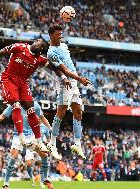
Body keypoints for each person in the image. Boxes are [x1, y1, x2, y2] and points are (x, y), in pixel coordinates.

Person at [0, 38, 90, 154]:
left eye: (41, 47)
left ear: (41, 50)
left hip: (22, 83)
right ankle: (22, 137)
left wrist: (63, 78)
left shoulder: (39, 59)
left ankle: (39, 142)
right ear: (36, 41)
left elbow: (54, 68)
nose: (38, 46)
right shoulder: (19, 47)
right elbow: (1, 52)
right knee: (16, 105)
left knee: (31, 110)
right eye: (39, 44)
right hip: (9, 79)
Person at [47, 24, 91, 160]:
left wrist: (76, 80)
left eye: (61, 34)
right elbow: (63, 69)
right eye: (58, 34)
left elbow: (69, 64)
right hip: (63, 83)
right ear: (51, 35)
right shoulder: (51, 52)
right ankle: (52, 143)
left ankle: (77, 143)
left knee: (78, 111)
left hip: (73, 83)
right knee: (62, 111)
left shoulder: (64, 46)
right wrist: (79, 78)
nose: (61, 36)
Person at [0, 102, 54, 189]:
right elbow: (4, 114)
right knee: (14, 155)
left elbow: (42, 118)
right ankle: (6, 184)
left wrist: (50, 128)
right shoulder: (15, 105)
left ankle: (45, 179)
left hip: (31, 135)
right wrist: (0, 117)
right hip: (18, 134)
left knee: (44, 155)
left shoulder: (35, 105)